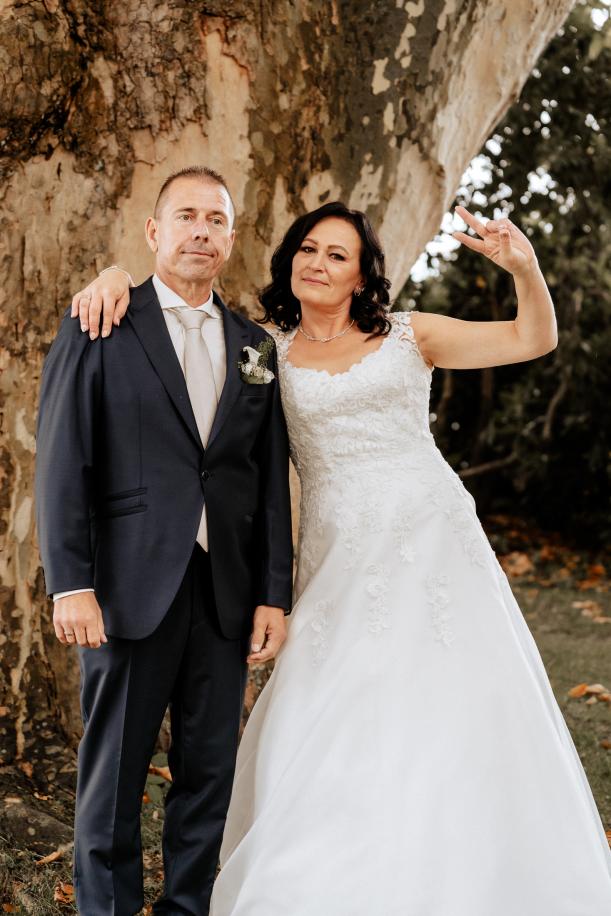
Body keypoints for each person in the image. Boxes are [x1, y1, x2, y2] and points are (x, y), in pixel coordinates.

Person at [72, 201, 611, 914]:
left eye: (335, 255)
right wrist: (114, 274)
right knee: (331, 709)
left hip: (430, 541)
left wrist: (524, 266)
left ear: (362, 277)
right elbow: (184, 341)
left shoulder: (411, 336)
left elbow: (531, 338)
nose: (315, 263)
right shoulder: (260, 349)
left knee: (448, 699)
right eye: (307, 249)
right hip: (336, 554)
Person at [35, 165, 293, 916]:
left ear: (231, 238)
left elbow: (265, 480)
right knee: (112, 776)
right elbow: (61, 457)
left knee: (208, 773)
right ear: (155, 232)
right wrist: (70, 581)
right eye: (186, 216)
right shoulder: (100, 320)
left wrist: (272, 592)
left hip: (225, 596)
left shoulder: (255, 347)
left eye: (215, 219)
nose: (201, 231)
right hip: (125, 589)